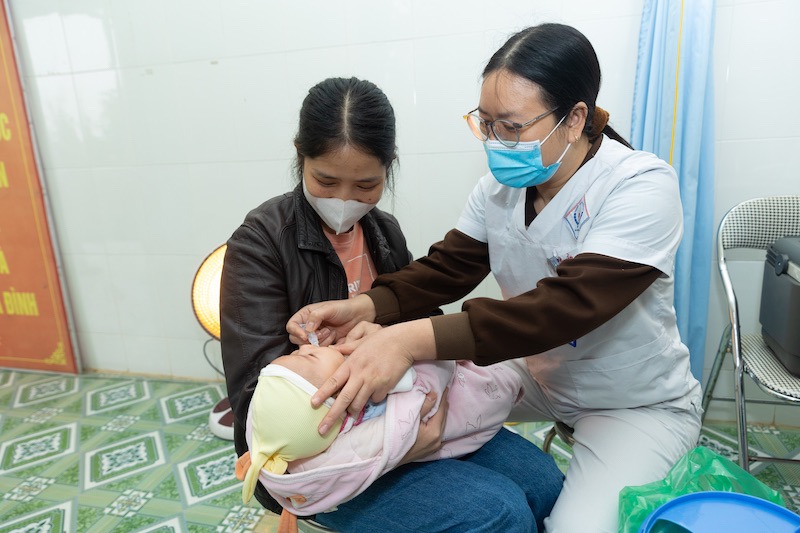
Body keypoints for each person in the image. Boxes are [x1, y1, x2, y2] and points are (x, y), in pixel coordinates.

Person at [288, 25, 703, 533]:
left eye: (510, 126)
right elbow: (449, 267)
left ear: (574, 119)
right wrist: (368, 307)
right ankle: (316, 489)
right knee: (405, 401)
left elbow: (564, 307)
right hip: (536, 371)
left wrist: (407, 339)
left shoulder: (640, 186)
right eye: (485, 124)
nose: (494, 141)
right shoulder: (497, 191)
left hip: (629, 398)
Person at [220, 76, 564, 533]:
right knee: (498, 512)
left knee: (543, 483)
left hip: (411, 412)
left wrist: (398, 354)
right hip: (324, 461)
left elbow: (422, 325)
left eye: (367, 184)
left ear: (390, 167)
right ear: (300, 156)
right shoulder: (260, 244)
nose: (345, 200)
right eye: (325, 180)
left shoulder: (383, 232)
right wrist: (395, 445)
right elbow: (258, 404)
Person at [237, 344, 525, 517]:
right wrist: (405, 346)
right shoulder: (366, 430)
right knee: (502, 511)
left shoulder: (386, 239)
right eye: (309, 357)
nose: (304, 347)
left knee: (539, 480)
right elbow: (435, 362)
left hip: (464, 410)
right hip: (478, 403)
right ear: (335, 401)